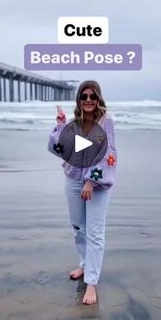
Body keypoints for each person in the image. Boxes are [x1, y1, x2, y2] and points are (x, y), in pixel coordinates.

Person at [48, 80, 117, 305]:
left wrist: (90, 181)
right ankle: (85, 265)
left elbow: (109, 154)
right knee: (79, 229)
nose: (88, 100)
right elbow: (59, 149)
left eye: (92, 96)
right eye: (84, 96)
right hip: (72, 181)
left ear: (99, 99)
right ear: (79, 99)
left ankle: (92, 283)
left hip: (96, 185)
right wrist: (60, 126)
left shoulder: (106, 122)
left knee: (95, 233)